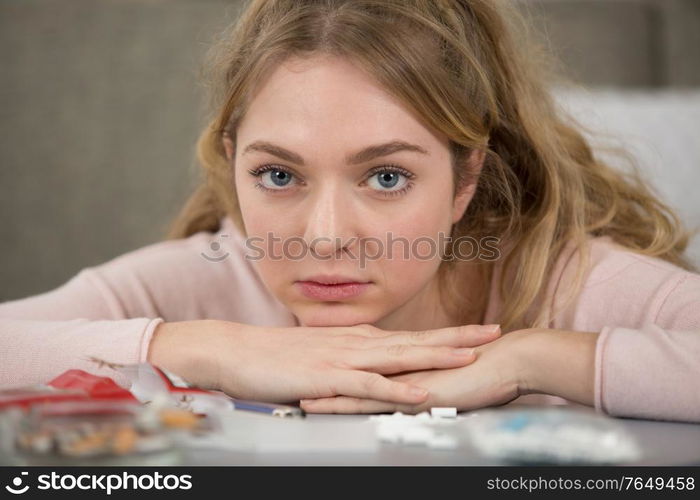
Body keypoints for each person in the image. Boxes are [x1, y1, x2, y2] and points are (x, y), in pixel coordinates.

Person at [1, 0, 699, 422]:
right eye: (278, 174)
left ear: (465, 181)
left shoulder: (554, 280)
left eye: (387, 177)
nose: (326, 238)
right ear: (232, 162)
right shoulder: (208, 283)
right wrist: (207, 348)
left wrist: (530, 359)